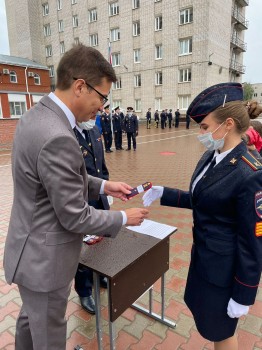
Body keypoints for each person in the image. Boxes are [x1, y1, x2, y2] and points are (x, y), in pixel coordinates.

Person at [4, 44, 148, 350]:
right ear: (80, 86)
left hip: (28, 251)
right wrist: (124, 218)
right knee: (49, 338)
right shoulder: (58, 134)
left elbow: (55, 179)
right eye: (102, 96)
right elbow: (75, 216)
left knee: (31, 324)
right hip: (46, 261)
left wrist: (104, 187)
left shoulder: (36, 116)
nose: (103, 106)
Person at [143, 82, 262, 350]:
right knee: (210, 325)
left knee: (222, 332)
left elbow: (253, 242)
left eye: (205, 127)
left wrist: (244, 293)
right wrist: (164, 193)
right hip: (204, 261)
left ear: (228, 124)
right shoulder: (212, 156)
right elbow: (204, 201)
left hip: (224, 272)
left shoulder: (249, 174)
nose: (201, 133)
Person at [74, 117, 110, 314]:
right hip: (81, 202)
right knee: (84, 248)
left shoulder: (95, 131)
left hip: (99, 197)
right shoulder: (67, 134)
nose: (95, 114)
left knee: (102, 241)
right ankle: (84, 289)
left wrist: (106, 189)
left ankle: (99, 274)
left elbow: (101, 165)